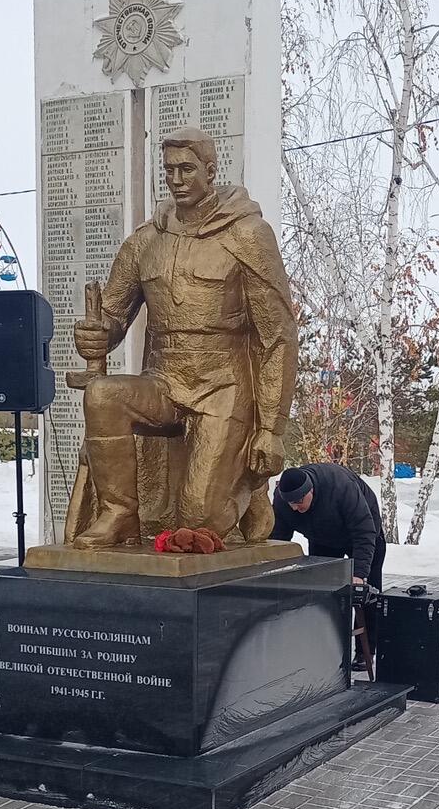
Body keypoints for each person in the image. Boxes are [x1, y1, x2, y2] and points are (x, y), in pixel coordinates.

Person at [67, 126, 297, 548]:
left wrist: (271, 429)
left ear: (211, 171)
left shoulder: (247, 236)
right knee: (101, 395)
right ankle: (118, 512)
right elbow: (114, 315)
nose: (176, 179)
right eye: (169, 170)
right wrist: (99, 335)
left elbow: (277, 337)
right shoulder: (146, 241)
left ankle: (250, 488)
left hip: (223, 388)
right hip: (164, 381)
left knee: (197, 523)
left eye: (187, 169)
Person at [273, 463, 387, 670]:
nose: (294, 508)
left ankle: (365, 652)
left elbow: (364, 532)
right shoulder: (283, 502)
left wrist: (359, 575)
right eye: (290, 503)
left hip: (364, 537)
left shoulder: (341, 487)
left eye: (299, 502)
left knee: (365, 596)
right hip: (323, 538)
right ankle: (327, 648)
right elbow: (279, 538)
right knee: (324, 593)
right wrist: (275, 569)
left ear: (312, 491)